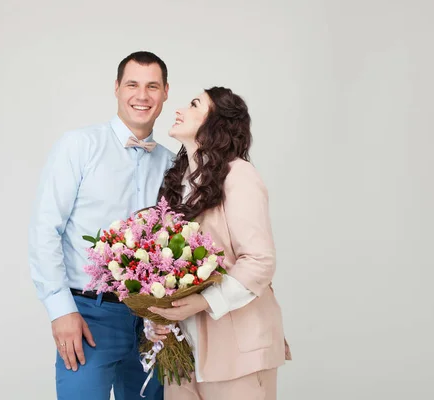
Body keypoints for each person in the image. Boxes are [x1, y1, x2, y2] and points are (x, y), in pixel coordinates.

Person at [28, 51, 174, 400]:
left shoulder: (171, 163)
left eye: (152, 86)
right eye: (133, 84)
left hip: (151, 322)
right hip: (89, 315)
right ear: (116, 88)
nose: (142, 95)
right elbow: (46, 229)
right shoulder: (79, 145)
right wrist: (60, 310)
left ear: (166, 92)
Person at [148, 87, 291, 400]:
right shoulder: (177, 182)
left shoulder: (239, 175)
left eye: (194, 104)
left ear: (216, 122)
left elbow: (259, 261)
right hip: (183, 354)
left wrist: (204, 301)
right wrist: (156, 319)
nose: (179, 110)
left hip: (239, 354)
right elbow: (164, 269)